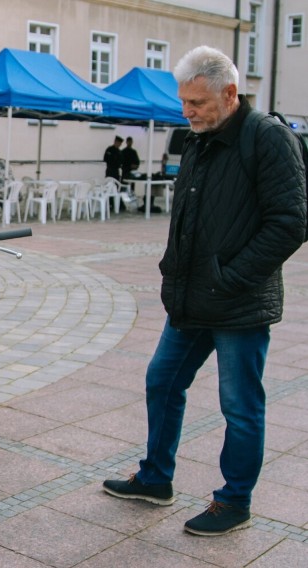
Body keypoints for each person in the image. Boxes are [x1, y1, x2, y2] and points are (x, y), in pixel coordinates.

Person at [103, 46, 306, 536]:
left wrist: (232, 277)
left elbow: (292, 222)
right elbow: (188, 217)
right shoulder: (197, 138)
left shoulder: (268, 138)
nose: (186, 111)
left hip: (238, 303)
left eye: (196, 102)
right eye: (184, 102)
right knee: (162, 382)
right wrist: (173, 270)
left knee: (239, 406)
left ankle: (234, 501)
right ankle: (156, 478)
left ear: (230, 93)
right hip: (191, 300)